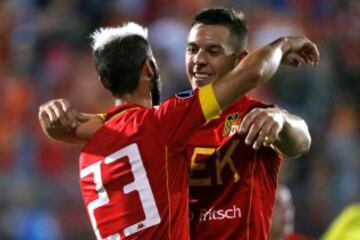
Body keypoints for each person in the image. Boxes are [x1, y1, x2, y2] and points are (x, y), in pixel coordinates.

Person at [39, 8, 319, 240]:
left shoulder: (255, 114)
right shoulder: (167, 119)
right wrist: (52, 117)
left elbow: (301, 140)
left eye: (212, 51)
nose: (198, 59)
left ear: (239, 60)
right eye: (192, 49)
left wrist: (281, 120)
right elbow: (107, 125)